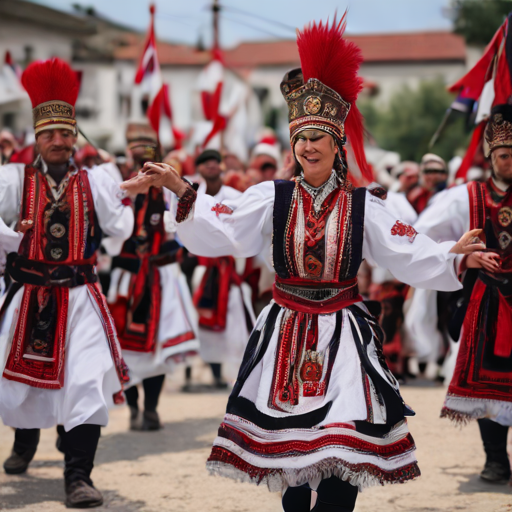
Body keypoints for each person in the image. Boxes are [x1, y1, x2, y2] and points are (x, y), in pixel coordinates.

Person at [121, 16, 484, 512]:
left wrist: (450, 254)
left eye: (318, 137)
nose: (308, 146)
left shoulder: (362, 206)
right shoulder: (271, 196)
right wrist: (180, 189)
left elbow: (405, 248)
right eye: (301, 138)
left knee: (342, 454)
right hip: (286, 330)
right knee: (292, 465)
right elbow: (225, 226)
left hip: (343, 334)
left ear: (337, 145)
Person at [0, 58, 134, 508]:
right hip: (28, 296)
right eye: (48, 134)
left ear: (75, 136)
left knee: (86, 382)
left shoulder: (96, 180)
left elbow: (121, 229)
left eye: (65, 133)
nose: (58, 141)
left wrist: (123, 189)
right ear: (35, 139)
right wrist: (10, 238)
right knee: (22, 384)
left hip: (80, 298)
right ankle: (24, 443)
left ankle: (78, 476)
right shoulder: (14, 180)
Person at [415, 104, 512, 483]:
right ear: (491, 156)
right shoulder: (465, 197)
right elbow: (421, 234)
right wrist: (462, 257)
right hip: (487, 302)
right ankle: (495, 460)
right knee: (489, 387)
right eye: (505, 154)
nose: (511, 161)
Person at [107, 123, 198, 430]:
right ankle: (133, 407)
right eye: (137, 148)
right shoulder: (117, 184)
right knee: (124, 344)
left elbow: (185, 219)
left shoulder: (167, 188)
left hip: (161, 275)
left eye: (147, 148)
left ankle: (152, 408)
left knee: (158, 345)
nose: (141, 155)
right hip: (127, 275)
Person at [185, 149, 255, 389]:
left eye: (215, 161)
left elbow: (246, 230)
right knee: (197, 318)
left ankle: (240, 374)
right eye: (205, 163)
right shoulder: (192, 196)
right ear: (200, 169)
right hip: (201, 267)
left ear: (221, 166)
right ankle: (204, 373)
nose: (211, 166)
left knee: (235, 318)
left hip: (230, 266)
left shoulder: (236, 196)